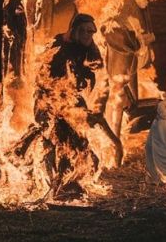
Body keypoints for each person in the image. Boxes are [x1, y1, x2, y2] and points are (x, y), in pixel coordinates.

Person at [22, 13, 112, 197]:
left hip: (71, 100)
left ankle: (70, 182)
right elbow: (41, 76)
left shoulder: (84, 47)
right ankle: (56, 184)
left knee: (79, 142)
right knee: (59, 141)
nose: (90, 35)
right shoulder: (55, 45)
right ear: (75, 29)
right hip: (50, 102)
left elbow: (93, 68)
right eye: (86, 31)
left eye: (92, 31)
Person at [101, 0, 157, 130]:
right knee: (118, 100)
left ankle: (120, 130)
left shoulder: (140, 9)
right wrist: (143, 41)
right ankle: (114, 134)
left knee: (128, 101)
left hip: (129, 64)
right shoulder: (128, 10)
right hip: (121, 64)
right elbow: (124, 36)